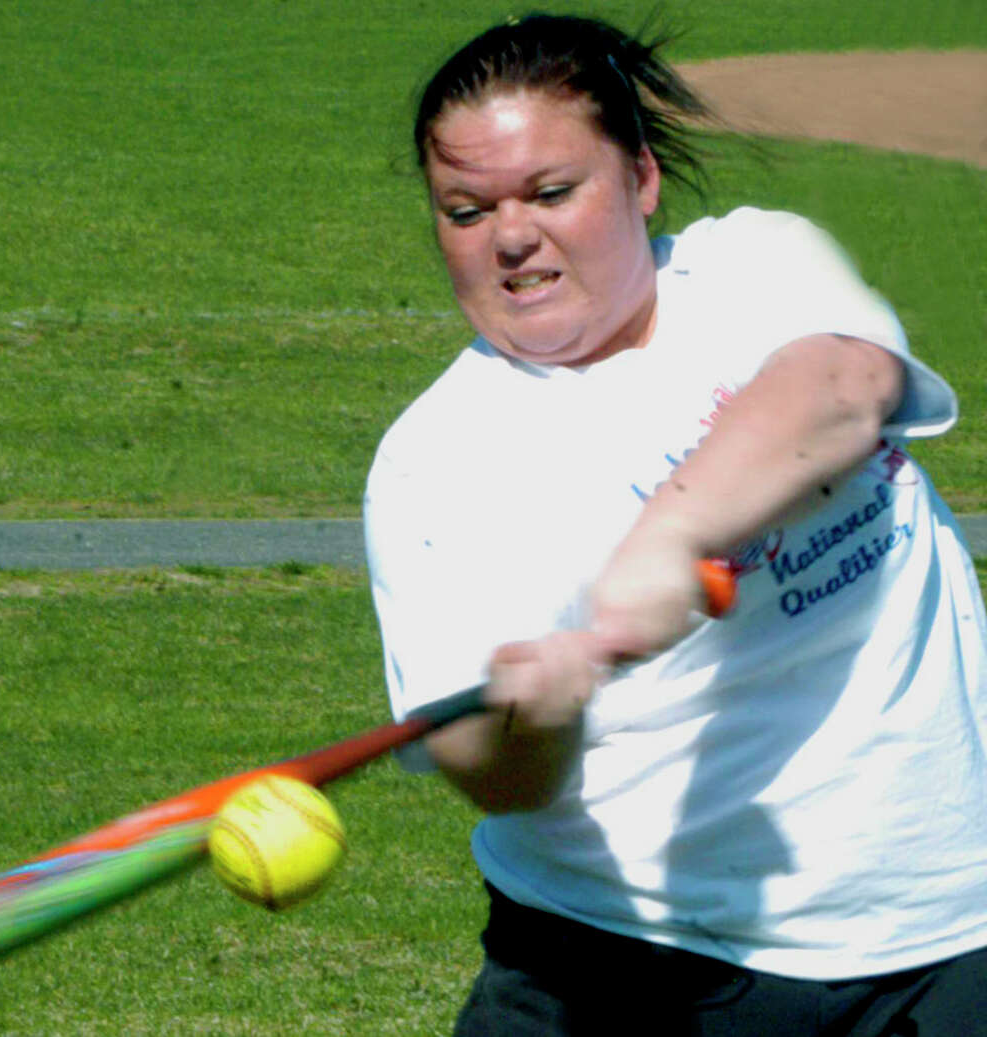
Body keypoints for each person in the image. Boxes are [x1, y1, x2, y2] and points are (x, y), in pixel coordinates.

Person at [362, 13, 987, 1036]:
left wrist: (665, 543)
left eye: (551, 192)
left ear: (641, 180)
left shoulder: (751, 265)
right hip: (635, 972)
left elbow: (842, 384)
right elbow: (497, 772)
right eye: (466, 210)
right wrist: (536, 714)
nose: (511, 235)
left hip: (951, 937)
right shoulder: (438, 462)